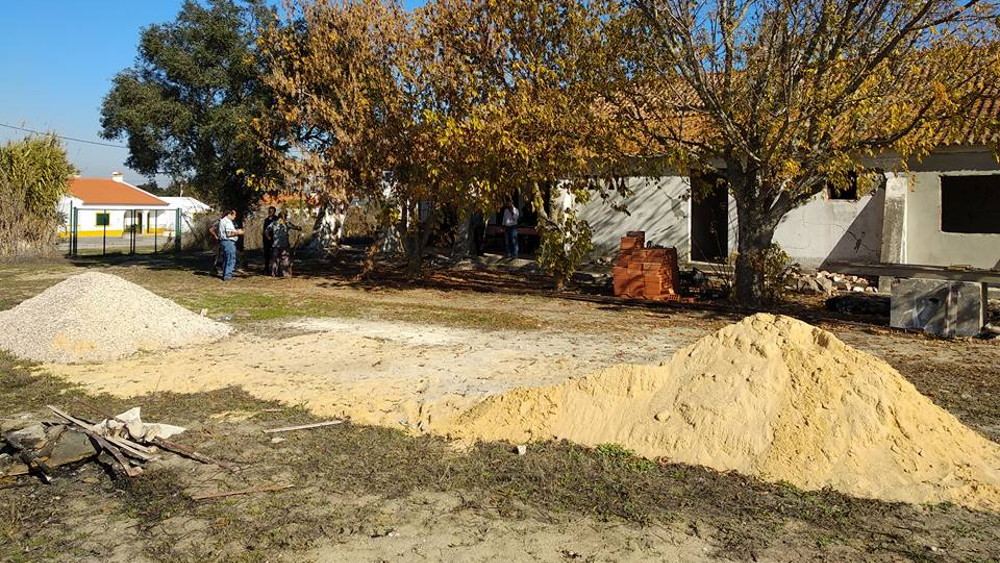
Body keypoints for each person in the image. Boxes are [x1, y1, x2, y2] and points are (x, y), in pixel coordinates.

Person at [265, 211, 302, 277]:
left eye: (285, 216)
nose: (284, 218)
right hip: (276, 244)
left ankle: (285, 274)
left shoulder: (287, 223)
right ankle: (275, 273)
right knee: (276, 260)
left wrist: (298, 228)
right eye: (283, 217)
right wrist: (268, 237)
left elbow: (295, 227)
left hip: (284, 244)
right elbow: (267, 230)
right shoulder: (274, 223)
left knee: (285, 259)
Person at [217, 209, 244, 281]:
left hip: (223, 242)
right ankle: (227, 276)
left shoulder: (221, 221)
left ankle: (225, 274)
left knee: (226, 259)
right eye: (234, 215)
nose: (235, 217)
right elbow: (229, 234)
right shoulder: (228, 222)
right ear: (229, 214)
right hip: (228, 242)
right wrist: (238, 232)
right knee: (231, 259)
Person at [261, 206, 278, 274]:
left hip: (274, 239)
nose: (270, 212)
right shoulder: (266, 220)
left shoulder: (276, 219)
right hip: (266, 240)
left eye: (272, 211)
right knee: (266, 255)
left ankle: (274, 269)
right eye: (269, 211)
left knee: (275, 254)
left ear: (274, 212)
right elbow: (265, 230)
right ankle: (266, 268)